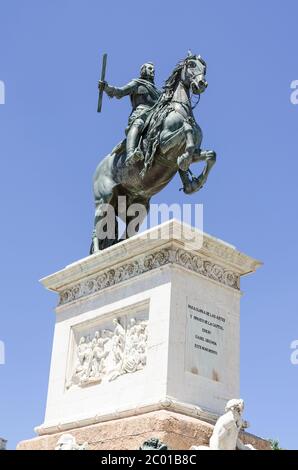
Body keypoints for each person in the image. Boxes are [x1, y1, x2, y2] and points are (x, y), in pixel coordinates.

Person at [99, 63, 161, 165]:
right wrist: (106, 87)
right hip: (141, 113)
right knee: (138, 123)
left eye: (153, 69)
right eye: (150, 68)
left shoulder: (158, 91)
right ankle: (130, 154)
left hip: (155, 115)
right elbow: (120, 92)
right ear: (143, 70)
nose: (152, 71)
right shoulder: (137, 83)